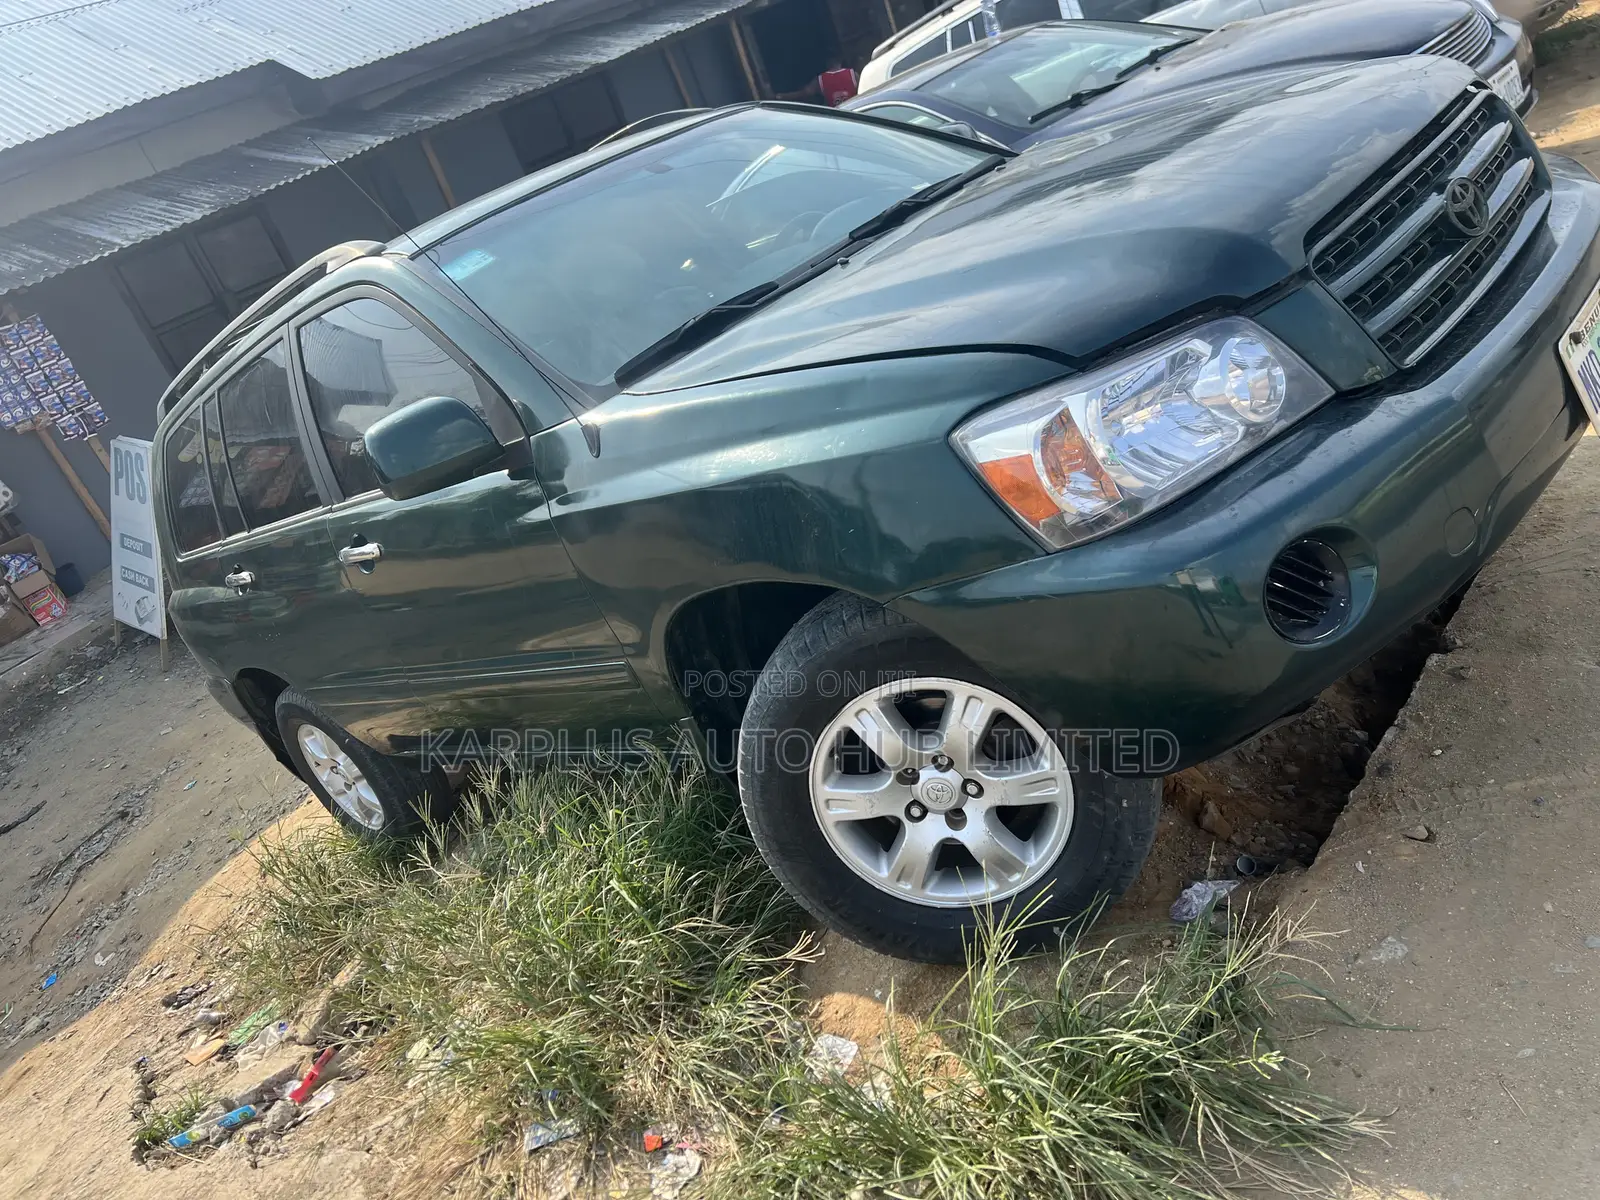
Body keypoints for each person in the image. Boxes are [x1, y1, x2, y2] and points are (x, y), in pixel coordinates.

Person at [776, 56, 859, 107]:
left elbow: (804, 93)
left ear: (826, 63)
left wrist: (781, 96)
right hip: (856, 111)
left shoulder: (820, 80)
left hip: (837, 116)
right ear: (840, 61)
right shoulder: (853, 74)